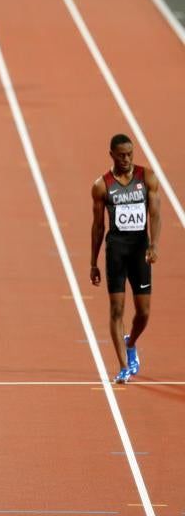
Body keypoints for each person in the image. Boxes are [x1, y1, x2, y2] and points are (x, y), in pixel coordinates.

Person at [90, 134, 161, 384]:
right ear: (111, 154)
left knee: (144, 312)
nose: (127, 159)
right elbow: (98, 227)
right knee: (117, 309)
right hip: (116, 250)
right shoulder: (102, 185)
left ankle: (131, 342)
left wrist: (153, 245)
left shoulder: (147, 178)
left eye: (130, 154)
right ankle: (122, 367)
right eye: (121, 155)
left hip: (139, 250)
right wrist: (93, 263)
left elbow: (155, 214)